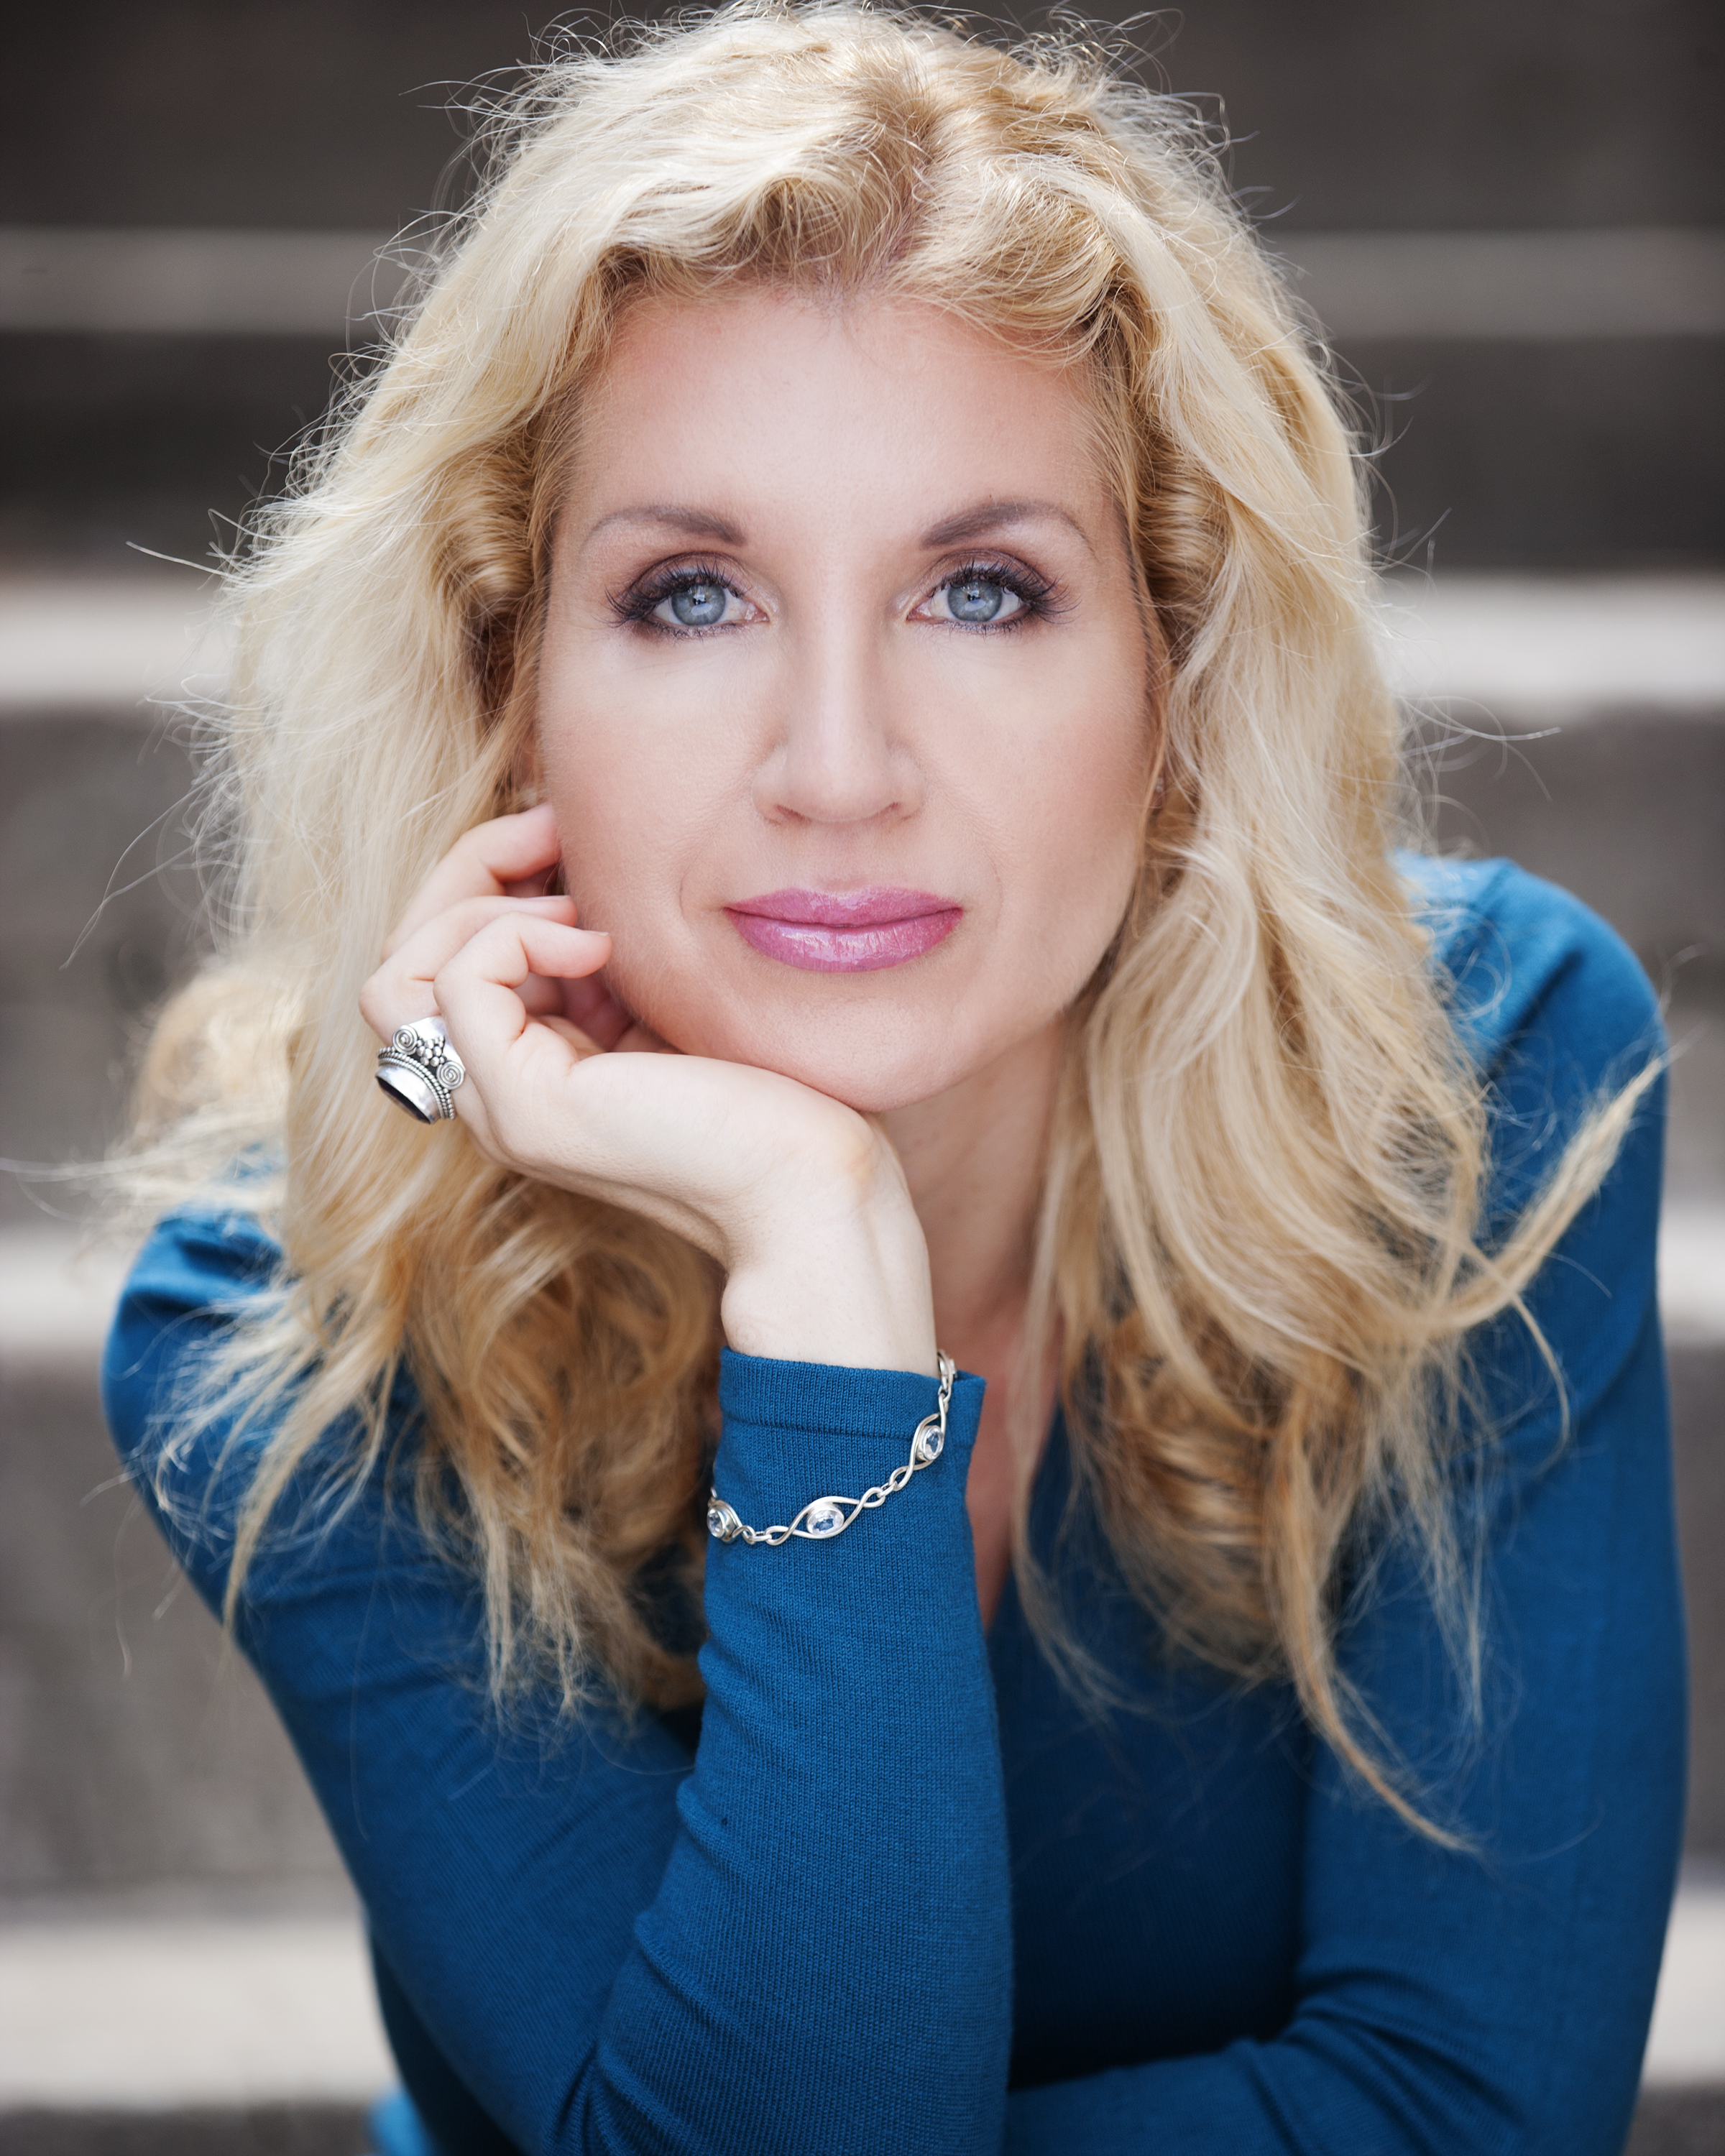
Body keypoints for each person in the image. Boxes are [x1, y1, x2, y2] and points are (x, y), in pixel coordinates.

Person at [101, 6, 1686, 2151]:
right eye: (690, 596)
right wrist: (823, 1248)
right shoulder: (290, 1328)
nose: (839, 771)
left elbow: (1477, 2115)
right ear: (507, 680)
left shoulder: (1473, 1080)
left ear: (1178, 670)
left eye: (982, 590)